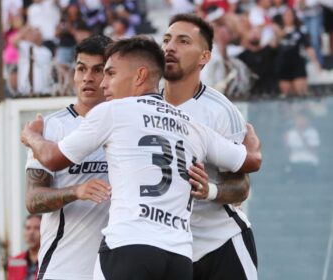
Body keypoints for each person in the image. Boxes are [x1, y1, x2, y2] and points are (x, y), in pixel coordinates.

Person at [21, 36, 262, 280]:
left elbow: (51, 157)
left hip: (127, 246)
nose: (100, 81)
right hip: (176, 255)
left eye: (108, 73)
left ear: (139, 75)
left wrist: (31, 136)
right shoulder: (190, 124)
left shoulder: (112, 113)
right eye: (81, 69)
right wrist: (250, 139)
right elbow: (251, 160)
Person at [161, 13, 260, 279]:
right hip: (169, 246)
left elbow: (241, 187)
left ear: (204, 57)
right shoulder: (145, 105)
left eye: (183, 41)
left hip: (221, 241)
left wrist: (210, 190)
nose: (170, 47)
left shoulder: (221, 111)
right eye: (166, 40)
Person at [24, 35, 113, 280]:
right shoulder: (52, 127)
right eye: (81, 69)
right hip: (64, 268)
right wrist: (77, 191)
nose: (88, 78)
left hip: (116, 268)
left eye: (98, 70)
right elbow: (33, 199)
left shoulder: (127, 124)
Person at [8, 214, 41, 280]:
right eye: (28, 228)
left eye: (37, 228)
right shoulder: (15, 261)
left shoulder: (52, 260)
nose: (31, 232)